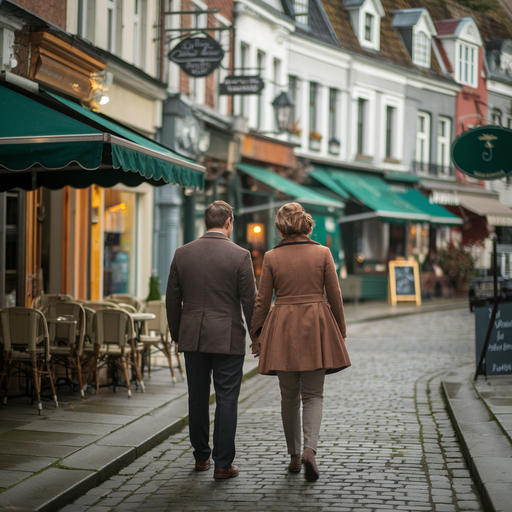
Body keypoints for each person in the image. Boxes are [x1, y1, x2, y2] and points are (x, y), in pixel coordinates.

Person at [250, 202, 351, 482]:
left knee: (288, 397)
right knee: (314, 394)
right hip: (317, 324)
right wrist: (340, 330)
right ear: (306, 223)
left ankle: (294, 455)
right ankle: (310, 450)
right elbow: (335, 295)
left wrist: (256, 334)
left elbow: (262, 300)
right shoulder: (323, 253)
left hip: (281, 325)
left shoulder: (270, 257)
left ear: (281, 227)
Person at [166, 201, 257, 479]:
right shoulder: (240, 255)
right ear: (229, 222)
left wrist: (177, 334)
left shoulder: (183, 253)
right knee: (227, 399)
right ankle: (223, 464)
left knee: (197, 397)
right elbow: (250, 301)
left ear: (206, 222)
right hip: (227, 337)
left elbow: (172, 300)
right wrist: (257, 337)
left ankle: (201, 458)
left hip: (192, 335)